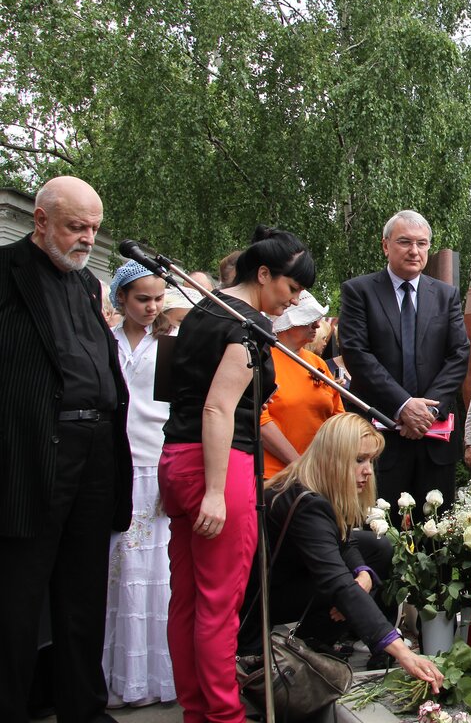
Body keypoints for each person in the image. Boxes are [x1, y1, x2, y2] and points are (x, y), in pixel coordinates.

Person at [159, 225, 314, 723]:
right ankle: (224, 715)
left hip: (178, 459)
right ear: (264, 274)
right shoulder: (248, 324)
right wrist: (216, 490)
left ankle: (196, 711)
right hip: (219, 464)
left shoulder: (203, 309)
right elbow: (217, 409)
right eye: (290, 290)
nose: (289, 305)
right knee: (219, 605)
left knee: (186, 599)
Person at [0, 176, 133, 723]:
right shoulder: (5, 272)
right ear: (40, 221)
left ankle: (83, 709)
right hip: (32, 454)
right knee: (16, 601)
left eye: (94, 228)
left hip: (95, 451)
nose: (86, 239)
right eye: (76, 227)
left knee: (83, 595)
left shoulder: (87, 285)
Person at [237, 413, 443, 692]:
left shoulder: (315, 485)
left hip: (290, 578)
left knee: (378, 549)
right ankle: (305, 644)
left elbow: (345, 542)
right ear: (333, 457)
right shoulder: (307, 504)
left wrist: (363, 573)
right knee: (344, 588)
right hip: (260, 602)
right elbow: (335, 581)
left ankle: (315, 640)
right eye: (359, 460)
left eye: (370, 460)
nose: (368, 470)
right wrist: (402, 652)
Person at [339, 210, 470, 522]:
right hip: (380, 437)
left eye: (422, 244)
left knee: (438, 537)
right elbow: (357, 354)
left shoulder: (446, 295)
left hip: (434, 437)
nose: (414, 250)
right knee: (382, 531)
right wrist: (403, 405)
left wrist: (426, 412)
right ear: (386, 246)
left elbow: (458, 354)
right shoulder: (359, 292)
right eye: (405, 242)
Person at [103, 262, 175, 709]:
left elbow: (176, 411)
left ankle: (155, 677)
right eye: (141, 299)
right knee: (115, 574)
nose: (151, 307)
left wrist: (172, 470)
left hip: (154, 465)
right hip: (111, 464)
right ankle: (112, 678)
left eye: (157, 299)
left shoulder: (170, 346)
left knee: (155, 576)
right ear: (121, 299)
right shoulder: (103, 342)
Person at [260, 291, 346, 479]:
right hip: (275, 476)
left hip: (319, 473)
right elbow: (260, 422)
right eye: (308, 319)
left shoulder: (317, 363)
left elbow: (338, 416)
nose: (317, 324)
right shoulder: (264, 360)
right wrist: (299, 465)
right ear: (288, 322)